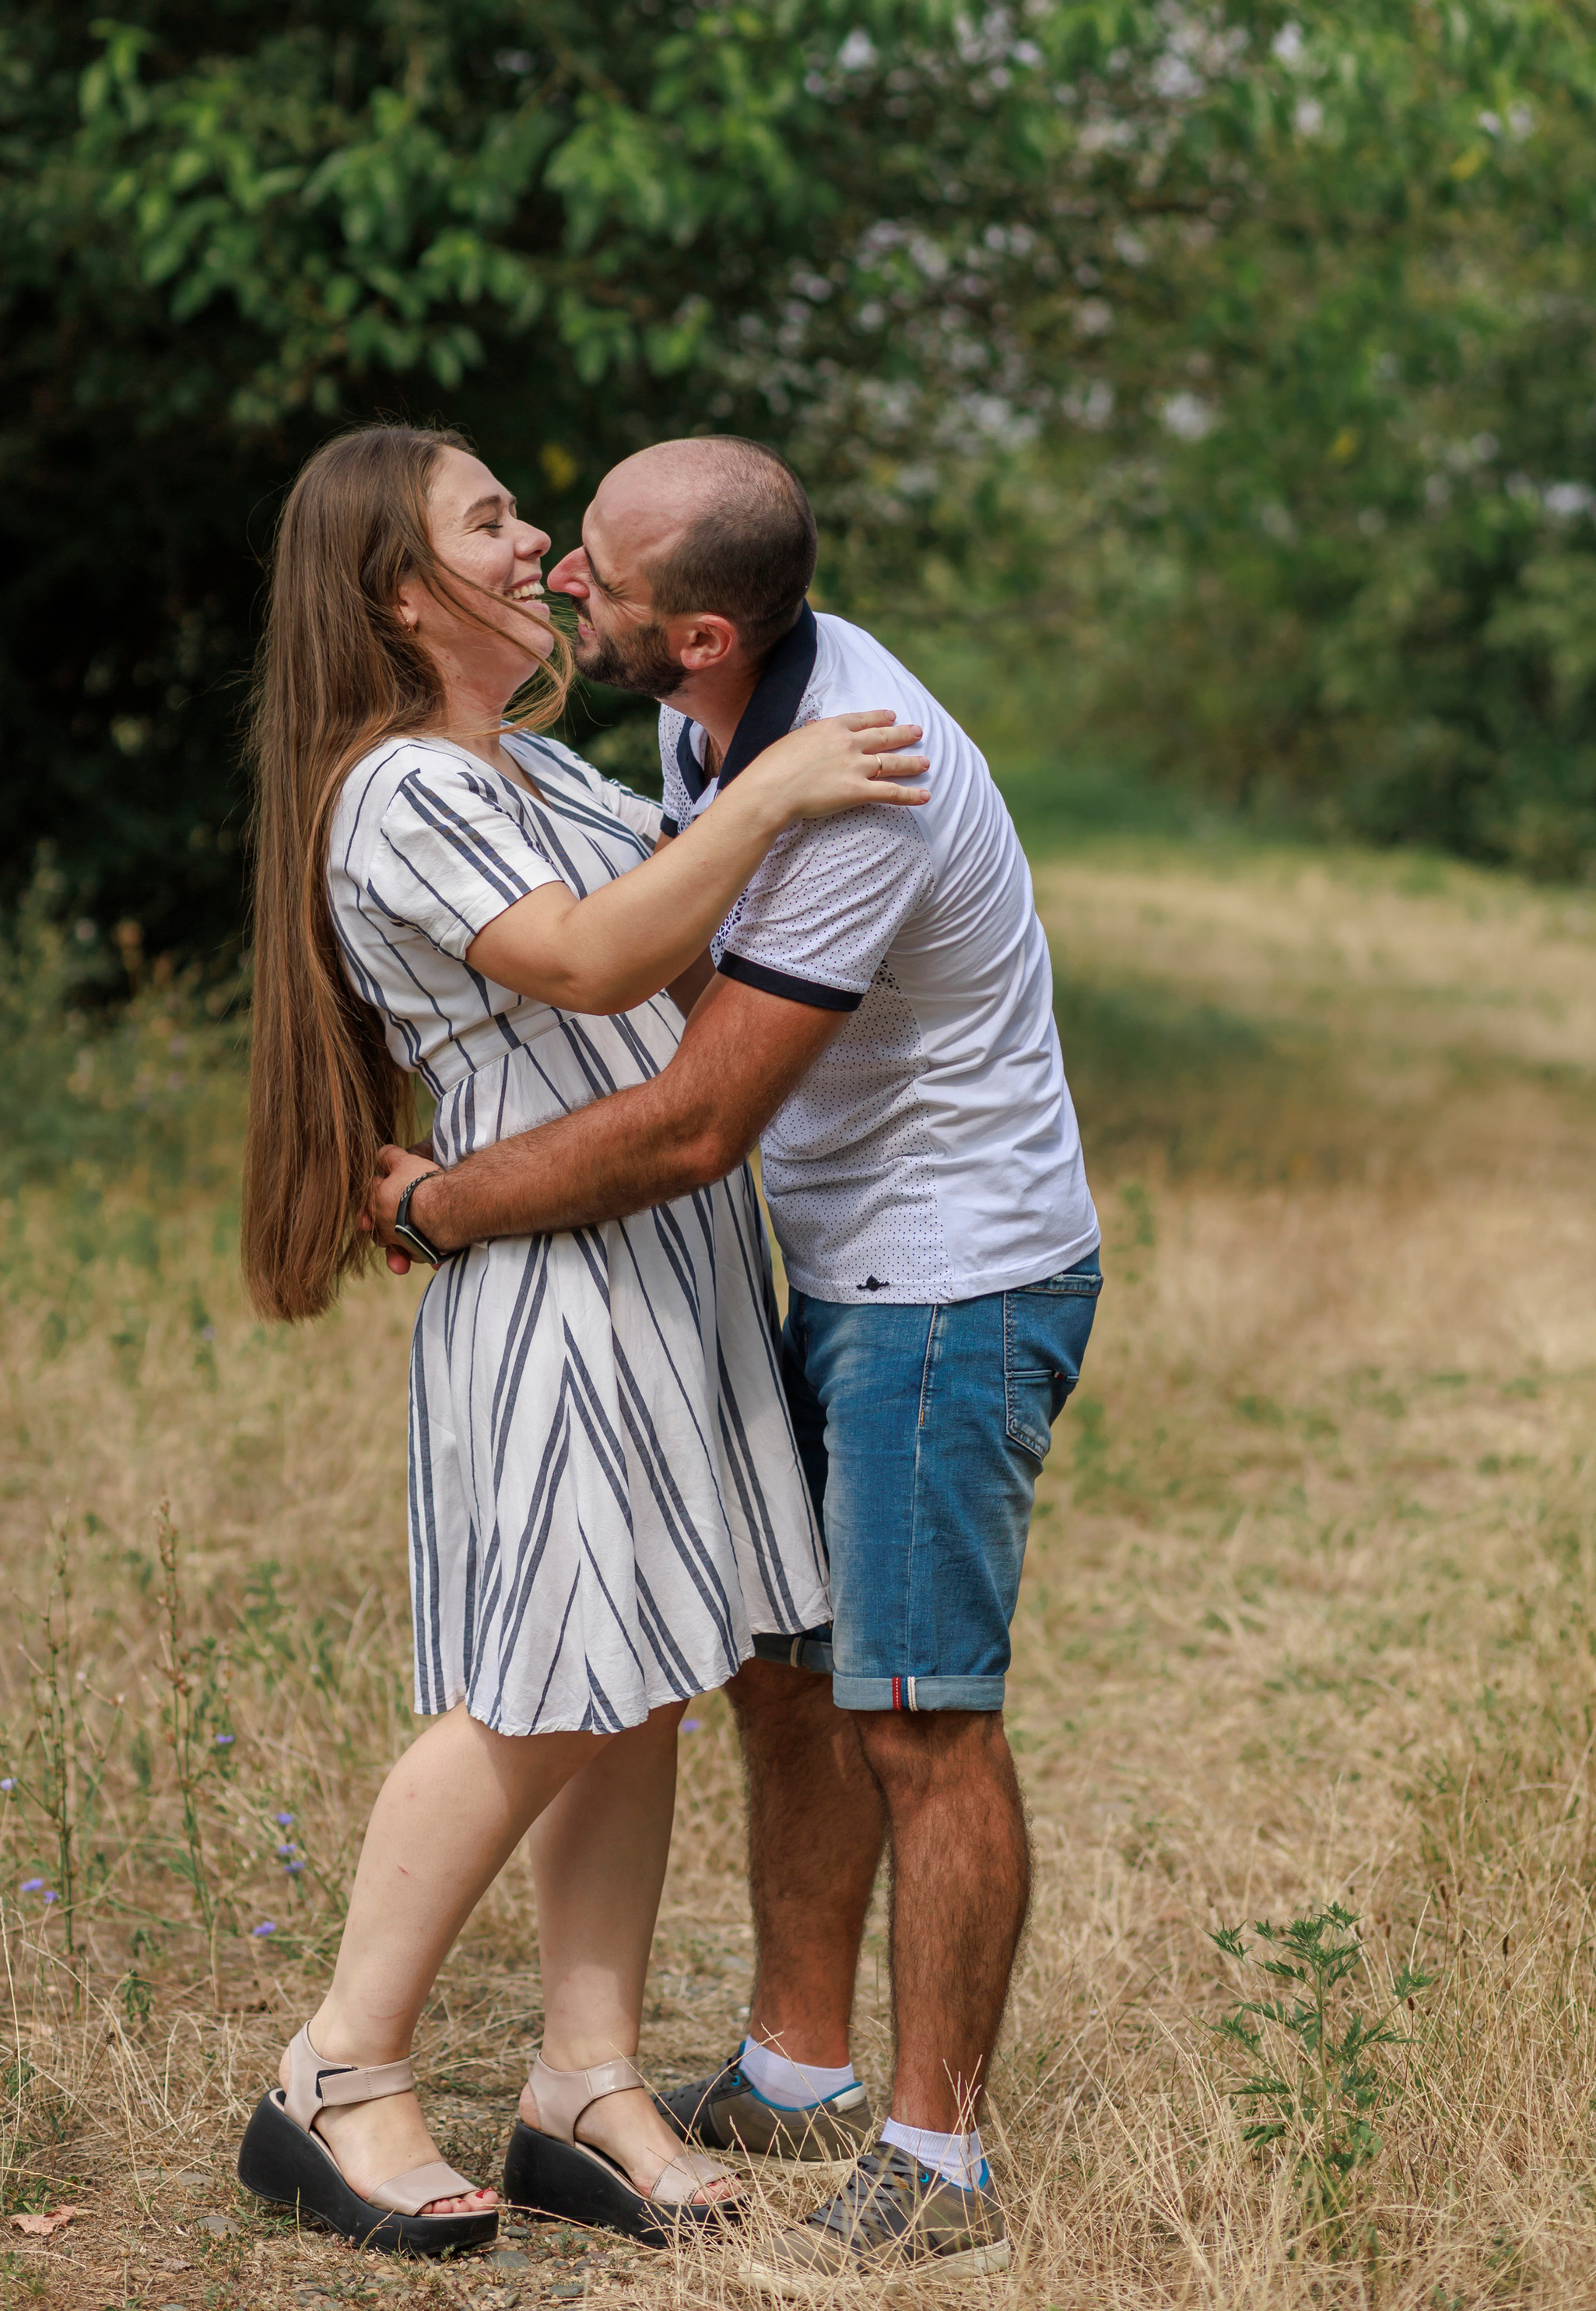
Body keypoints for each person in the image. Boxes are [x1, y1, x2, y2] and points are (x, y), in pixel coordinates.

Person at [369, 436, 1102, 2278]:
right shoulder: (724, 718)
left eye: (593, 584)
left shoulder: (848, 777)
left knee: (916, 1714)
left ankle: (932, 2156)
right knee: (783, 1664)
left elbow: (692, 1121)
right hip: (840, 1251)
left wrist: (437, 1209)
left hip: (946, 1279)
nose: (556, 584)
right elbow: (644, 941)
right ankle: (794, 2069)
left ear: (694, 633)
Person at [232, 422, 931, 2258]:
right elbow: (598, 960)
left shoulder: (532, 766)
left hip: (664, 1264)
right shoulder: (397, 791)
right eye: (493, 521)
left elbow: (699, 945)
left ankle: (580, 2079)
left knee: (637, 1673)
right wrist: (770, 795)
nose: (539, 547)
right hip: (553, 1286)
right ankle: (337, 2070)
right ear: (400, 592)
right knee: (542, 1679)